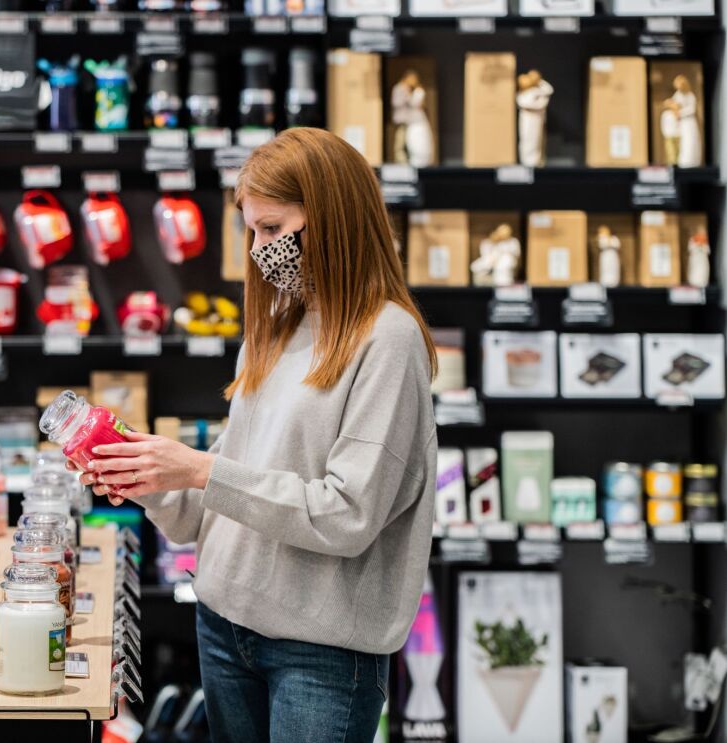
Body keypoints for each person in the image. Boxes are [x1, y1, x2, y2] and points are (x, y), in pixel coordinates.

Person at [68, 128, 438, 742]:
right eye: (251, 230)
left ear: (332, 222)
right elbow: (206, 511)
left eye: (273, 228)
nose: (260, 248)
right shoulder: (277, 328)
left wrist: (198, 470)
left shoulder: (388, 340)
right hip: (223, 625)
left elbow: (347, 514)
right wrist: (141, 473)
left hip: (321, 653)